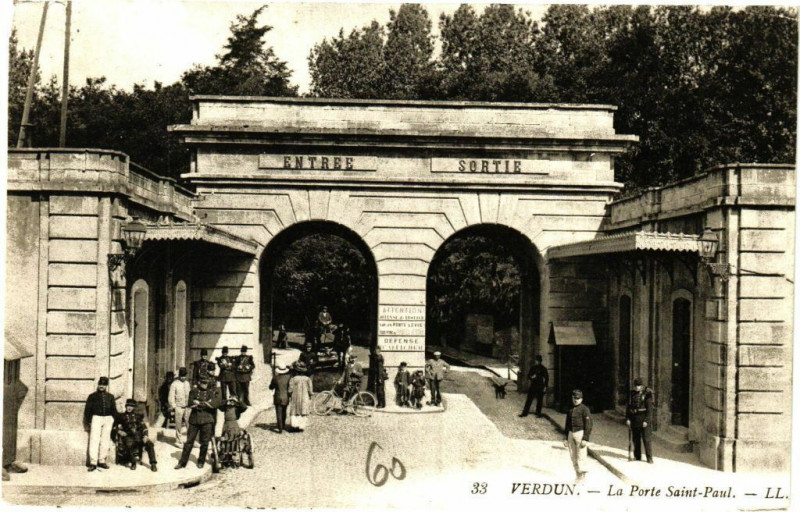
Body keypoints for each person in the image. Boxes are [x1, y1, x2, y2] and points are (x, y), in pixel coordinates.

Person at [175, 378, 221, 469]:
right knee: (189, 442)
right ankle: (182, 462)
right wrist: (204, 403)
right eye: (203, 382)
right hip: (194, 419)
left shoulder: (211, 392)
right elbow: (190, 403)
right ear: (199, 382)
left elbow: (214, 405)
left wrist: (199, 403)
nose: (205, 385)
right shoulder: (193, 392)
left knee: (204, 442)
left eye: (206, 383)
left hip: (207, 420)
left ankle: (201, 461)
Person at [83, 376, 119, 471]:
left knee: (105, 439)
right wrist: (90, 421)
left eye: (103, 384)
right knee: (94, 439)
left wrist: (115, 421)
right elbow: (87, 410)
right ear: (98, 384)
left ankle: (102, 461)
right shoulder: (92, 396)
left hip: (108, 418)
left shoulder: (110, 397)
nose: (101, 386)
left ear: (106, 385)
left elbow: (114, 410)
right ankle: (93, 462)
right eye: (100, 384)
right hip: (96, 418)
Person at [116, 399, 157, 471]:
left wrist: (145, 436)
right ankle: (133, 462)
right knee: (129, 444)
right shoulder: (121, 416)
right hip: (128, 436)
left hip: (139, 436)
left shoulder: (138, 416)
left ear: (134, 407)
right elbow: (115, 427)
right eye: (128, 406)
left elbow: (144, 427)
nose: (129, 408)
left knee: (150, 444)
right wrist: (120, 432)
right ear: (125, 406)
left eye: (131, 406)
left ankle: (153, 464)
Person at [564, 389, 592, 482]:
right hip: (571, 434)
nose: (576, 400)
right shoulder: (570, 409)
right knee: (573, 456)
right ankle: (578, 475)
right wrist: (565, 437)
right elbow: (567, 424)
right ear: (572, 398)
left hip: (580, 434)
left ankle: (582, 477)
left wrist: (585, 438)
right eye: (574, 398)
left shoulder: (585, 409)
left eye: (578, 398)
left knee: (581, 456)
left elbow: (588, 424)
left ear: (581, 399)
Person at [626, 378, 654, 464]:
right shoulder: (631, 394)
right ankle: (637, 456)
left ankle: (649, 458)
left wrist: (646, 420)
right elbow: (628, 408)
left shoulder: (647, 394)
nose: (637, 387)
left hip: (644, 419)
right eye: (636, 386)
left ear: (642, 386)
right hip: (634, 419)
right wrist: (628, 419)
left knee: (646, 439)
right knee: (636, 439)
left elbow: (649, 410)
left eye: (639, 386)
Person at [287, 361, 313, 431]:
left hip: (295, 396)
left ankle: (295, 425)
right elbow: (310, 390)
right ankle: (301, 426)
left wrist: (289, 394)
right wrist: (310, 395)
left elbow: (290, 389)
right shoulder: (307, 379)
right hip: (305, 396)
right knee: (303, 409)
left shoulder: (293, 379)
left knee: (295, 409)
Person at [169, 367, 192, 445]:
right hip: (178, 407)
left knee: (189, 423)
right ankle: (178, 440)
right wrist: (174, 406)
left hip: (187, 406)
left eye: (184, 376)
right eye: (182, 376)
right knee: (178, 424)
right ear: (179, 376)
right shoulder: (174, 384)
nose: (183, 378)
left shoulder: (187, 383)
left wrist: (190, 404)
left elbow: (190, 394)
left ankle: (190, 440)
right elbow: (171, 396)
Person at [269, 364, 292, 433]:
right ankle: (283, 424)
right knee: (284, 411)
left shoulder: (275, 378)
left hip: (277, 396)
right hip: (286, 396)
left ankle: (280, 428)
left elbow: (271, 387)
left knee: (278, 412)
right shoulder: (289, 377)